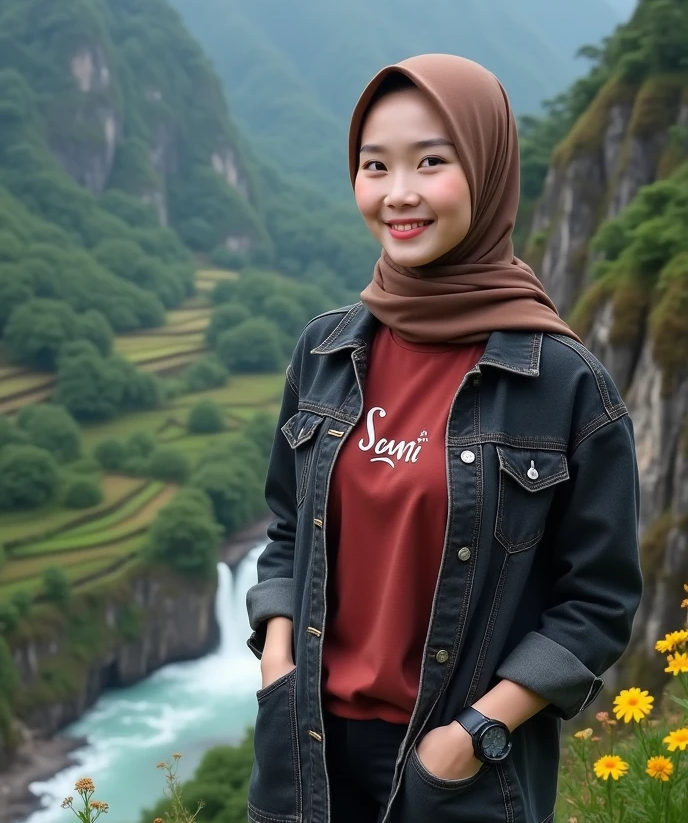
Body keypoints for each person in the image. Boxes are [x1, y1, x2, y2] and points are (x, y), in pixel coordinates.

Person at [245, 54, 643, 823]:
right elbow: (287, 528)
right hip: (305, 753)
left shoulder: (563, 383)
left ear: (489, 169)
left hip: (459, 778)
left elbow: (597, 602)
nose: (399, 193)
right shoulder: (324, 353)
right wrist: (277, 661)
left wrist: (470, 735)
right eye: (374, 165)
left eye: (431, 161)